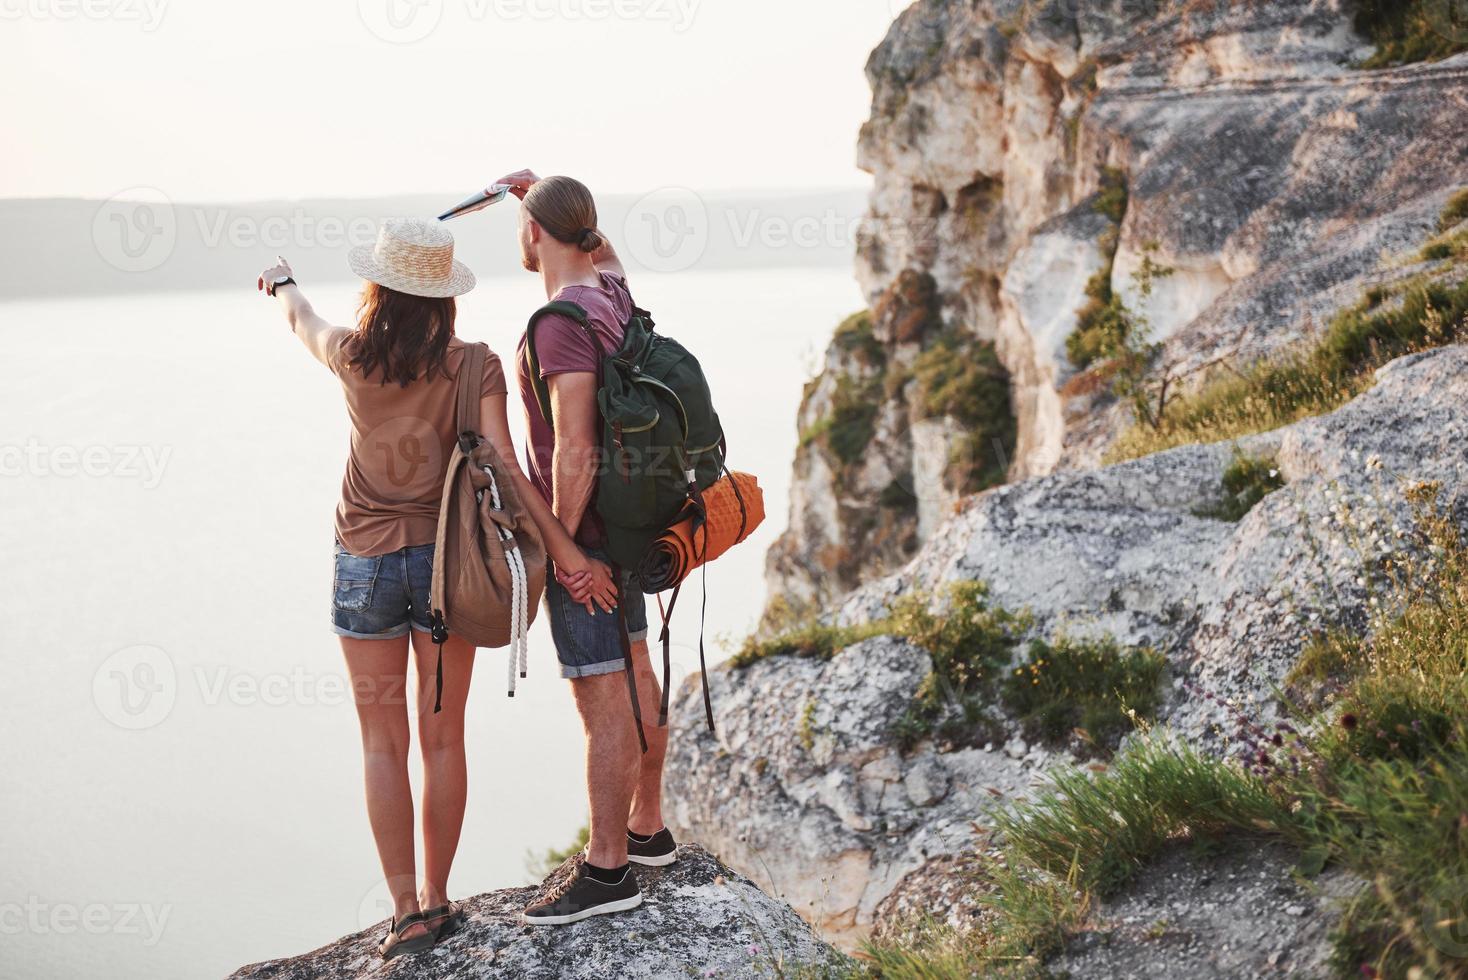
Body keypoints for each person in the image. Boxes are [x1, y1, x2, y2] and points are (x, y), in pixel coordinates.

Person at [256, 217, 616, 959]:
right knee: (443, 738)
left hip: (364, 565)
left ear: (379, 290)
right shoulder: (476, 365)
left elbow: (302, 318)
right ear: (444, 296)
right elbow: (509, 472)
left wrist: (283, 282)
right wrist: (567, 553)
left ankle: (401, 914)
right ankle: (438, 902)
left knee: (381, 745)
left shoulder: (353, 355)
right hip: (452, 569)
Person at [495, 171, 680, 926]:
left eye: (525, 224)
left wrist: (566, 548)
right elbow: (604, 252)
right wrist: (545, 197)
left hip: (593, 536)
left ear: (536, 236)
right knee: (637, 671)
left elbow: (576, 447)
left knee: (603, 697)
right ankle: (648, 828)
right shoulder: (613, 293)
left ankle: (607, 871)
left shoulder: (560, 322)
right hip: (637, 525)